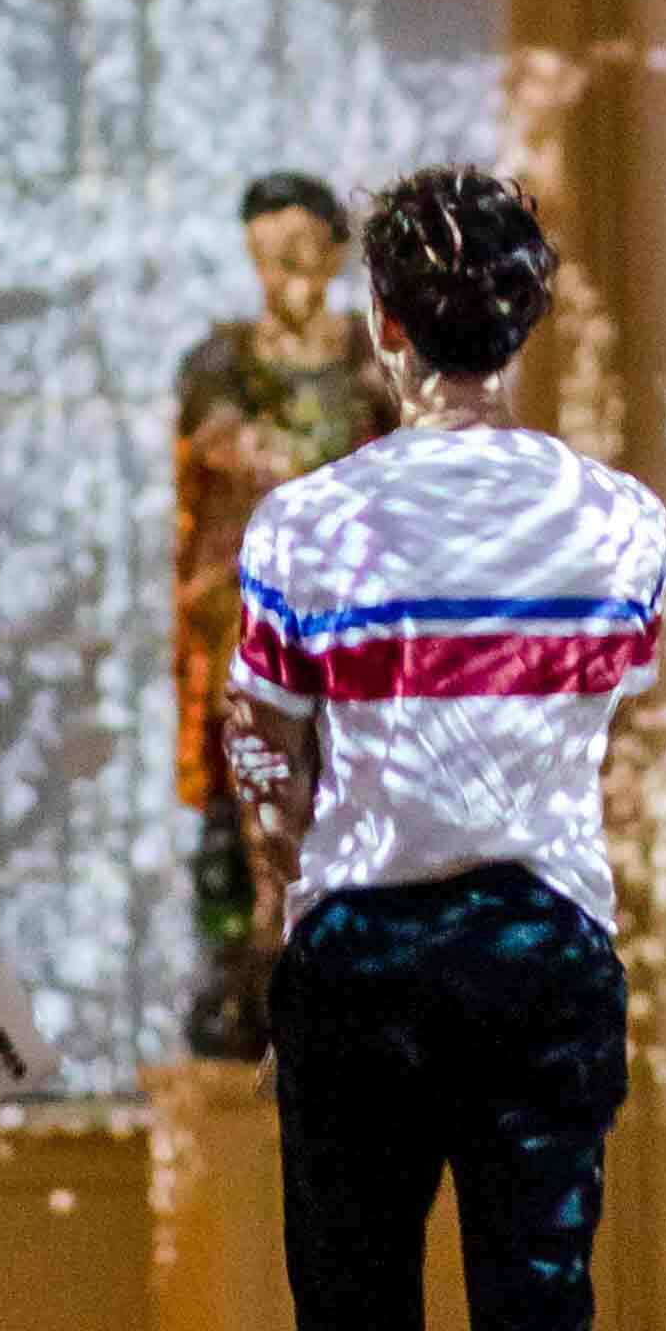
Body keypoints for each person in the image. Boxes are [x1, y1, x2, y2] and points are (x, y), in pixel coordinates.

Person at [228, 164, 666, 1331]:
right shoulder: (623, 522)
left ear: (385, 324)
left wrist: (288, 897)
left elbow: (263, 758)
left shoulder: (304, 524)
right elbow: (605, 732)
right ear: (527, 320)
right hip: (544, 947)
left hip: (361, 954)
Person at [171, 171, 398, 1057]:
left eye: (303, 257)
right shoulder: (222, 360)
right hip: (244, 625)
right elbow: (218, 430)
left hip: (350, 633)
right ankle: (242, 974)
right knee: (238, 805)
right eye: (269, 260)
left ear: (336, 255)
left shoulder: (370, 363)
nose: (287, 279)